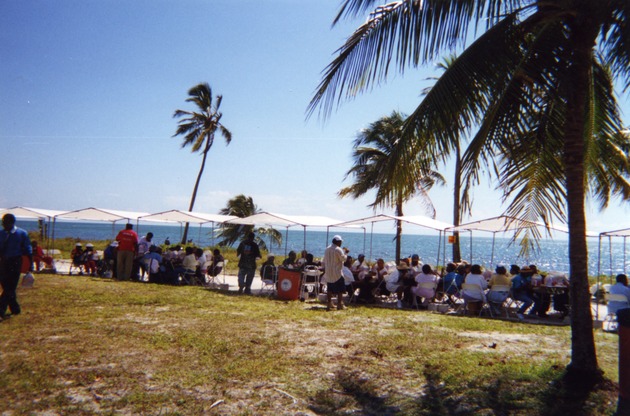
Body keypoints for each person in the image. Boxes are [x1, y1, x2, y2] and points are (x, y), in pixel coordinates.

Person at [0, 214, 33, 321]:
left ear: (12, 222)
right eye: (3, 221)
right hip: (3, 261)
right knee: (6, 286)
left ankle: (1, 310)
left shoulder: (21, 233)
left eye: (5, 221)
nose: (3, 223)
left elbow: (28, 249)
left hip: (15, 261)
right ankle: (15, 309)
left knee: (10, 286)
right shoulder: (1, 233)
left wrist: (30, 264)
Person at [322, 235, 347, 311]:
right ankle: (340, 304)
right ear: (338, 242)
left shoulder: (327, 249)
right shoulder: (338, 250)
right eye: (340, 242)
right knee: (340, 290)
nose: (341, 243)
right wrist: (346, 252)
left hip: (329, 272)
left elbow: (324, 260)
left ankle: (329, 303)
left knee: (329, 289)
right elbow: (343, 259)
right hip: (337, 273)